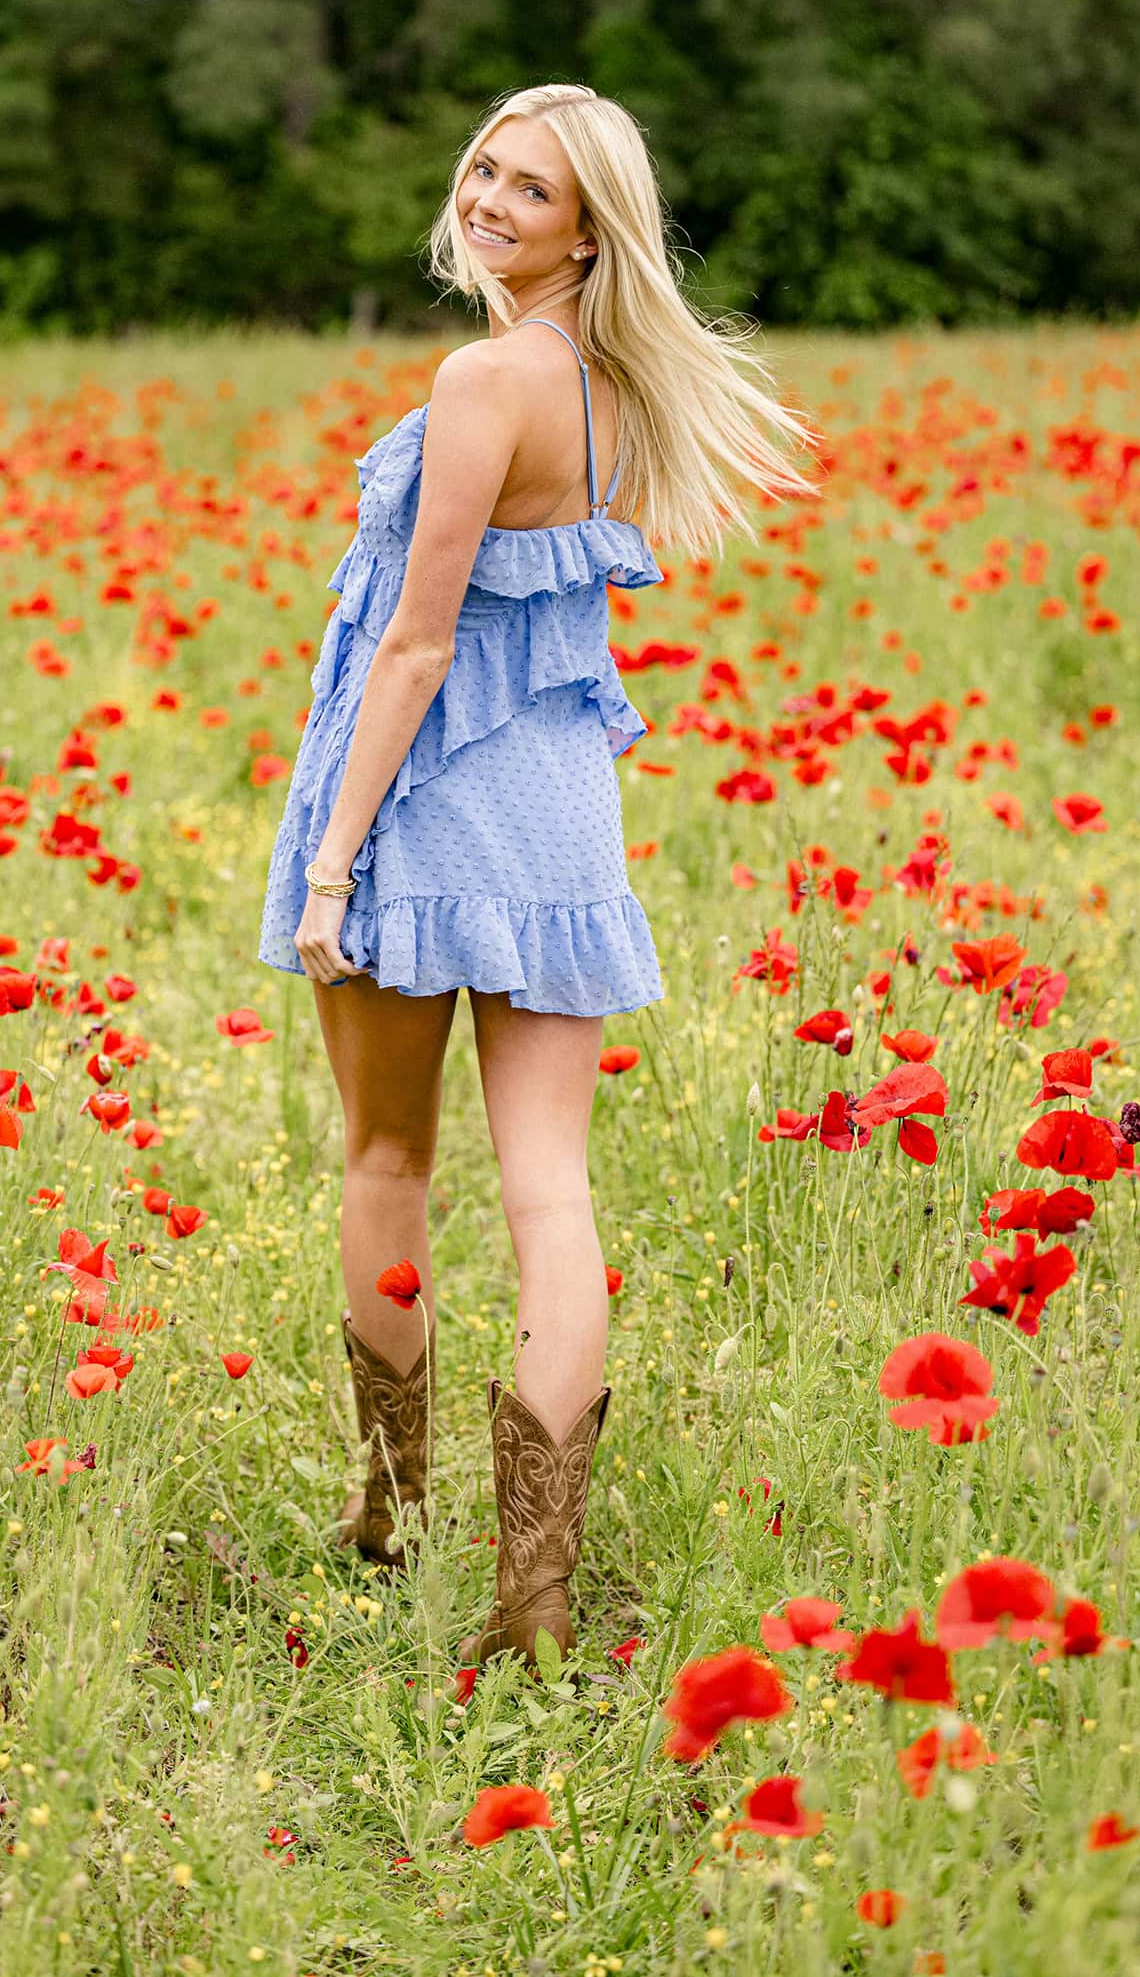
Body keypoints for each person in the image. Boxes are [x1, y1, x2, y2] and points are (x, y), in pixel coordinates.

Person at [256, 81, 818, 1671]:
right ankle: (537, 1598)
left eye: (534, 190)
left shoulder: (481, 377)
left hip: (428, 811)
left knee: (386, 1164)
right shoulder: (619, 387)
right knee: (550, 1194)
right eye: (487, 168)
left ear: (588, 231)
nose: (493, 199)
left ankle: (391, 1513)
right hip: (561, 818)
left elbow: (421, 640)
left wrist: (332, 864)